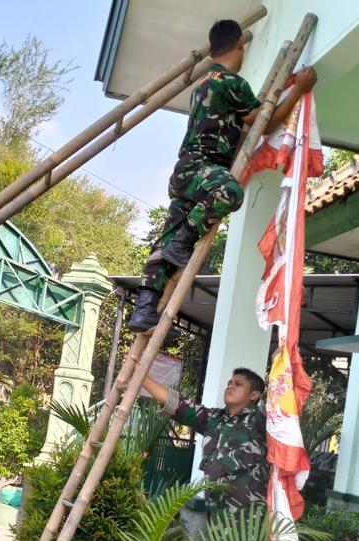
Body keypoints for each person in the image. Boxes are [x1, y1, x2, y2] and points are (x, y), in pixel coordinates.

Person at [128, 19, 318, 332]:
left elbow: (245, 126)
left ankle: (145, 309)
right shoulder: (230, 81)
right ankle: (185, 239)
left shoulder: (204, 83)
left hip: (185, 174)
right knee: (229, 192)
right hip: (205, 171)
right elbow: (264, 123)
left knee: (163, 245)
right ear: (239, 46)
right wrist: (299, 88)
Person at [140, 367, 268, 523]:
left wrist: (281, 363)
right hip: (215, 518)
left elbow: (279, 401)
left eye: (238, 384)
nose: (230, 386)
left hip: (249, 523)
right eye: (229, 383)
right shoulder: (213, 419)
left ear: (254, 395)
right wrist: (141, 374)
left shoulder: (261, 422)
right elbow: (176, 404)